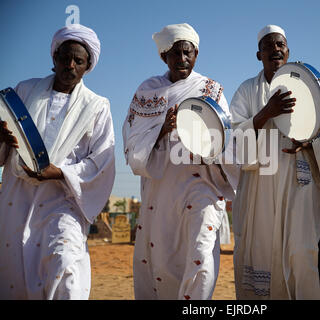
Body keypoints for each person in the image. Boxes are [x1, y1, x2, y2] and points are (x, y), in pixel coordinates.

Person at [122, 23, 239, 300]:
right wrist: (162, 127)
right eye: (175, 54)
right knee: (163, 263)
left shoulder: (211, 89)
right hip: (161, 191)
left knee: (202, 255)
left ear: (196, 54)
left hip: (203, 185)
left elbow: (228, 138)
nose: (182, 59)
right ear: (164, 56)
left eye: (188, 53)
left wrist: (203, 140)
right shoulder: (147, 92)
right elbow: (131, 141)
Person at [0, 24, 115, 299]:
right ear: (54, 58)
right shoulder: (24, 91)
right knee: (15, 270)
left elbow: (101, 161)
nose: (70, 65)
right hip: (19, 196)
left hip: (63, 199)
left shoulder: (97, 106)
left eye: (79, 60)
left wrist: (59, 173)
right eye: (65, 58)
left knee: (65, 265)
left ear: (88, 66)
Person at [229, 25, 320, 299]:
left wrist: (310, 142)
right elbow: (233, 139)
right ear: (258, 54)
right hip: (259, 188)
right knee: (261, 250)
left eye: (280, 45)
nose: (275, 49)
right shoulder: (247, 90)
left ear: (288, 51)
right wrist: (266, 112)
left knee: (300, 252)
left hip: (300, 184)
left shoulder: (307, 84)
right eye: (269, 46)